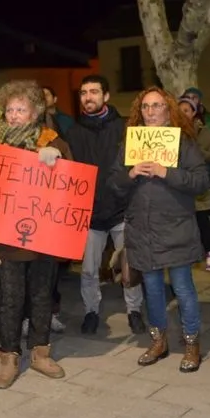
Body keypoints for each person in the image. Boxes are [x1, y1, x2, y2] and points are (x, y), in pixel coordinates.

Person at [0, 80, 70, 389]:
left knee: (43, 296)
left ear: (35, 111)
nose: (14, 115)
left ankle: (41, 352)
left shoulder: (52, 140)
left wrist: (56, 162)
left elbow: (71, 188)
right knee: (10, 299)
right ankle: (9, 357)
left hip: (44, 238)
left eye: (21, 109)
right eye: (10, 110)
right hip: (6, 240)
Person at [109, 88, 209, 372]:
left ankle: (191, 344)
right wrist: (129, 174)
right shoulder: (131, 144)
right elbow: (113, 184)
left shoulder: (183, 142)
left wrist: (168, 172)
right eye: (145, 106)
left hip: (176, 228)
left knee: (183, 288)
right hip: (142, 229)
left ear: (168, 110)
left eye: (157, 106)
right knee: (152, 288)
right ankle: (158, 340)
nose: (151, 111)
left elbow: (201, 182)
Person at [65, 75, 145, 335]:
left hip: (122, 209)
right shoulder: (73, 133)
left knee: (129, 266)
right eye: (84, 93)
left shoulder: (125, 128)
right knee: (88, 270)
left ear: (106, 96)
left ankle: (134, 311)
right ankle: (91, 311)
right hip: (89, 214)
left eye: (94, 92)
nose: (88, 97)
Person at [179, 95, 210, 271]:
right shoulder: (169, 133)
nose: (182, 114)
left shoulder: (204, 132)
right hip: (178, 186)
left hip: (198, 185)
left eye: (186, 111)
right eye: (179, 111)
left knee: (202, 221)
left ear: (194, 113)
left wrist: (197, 152)